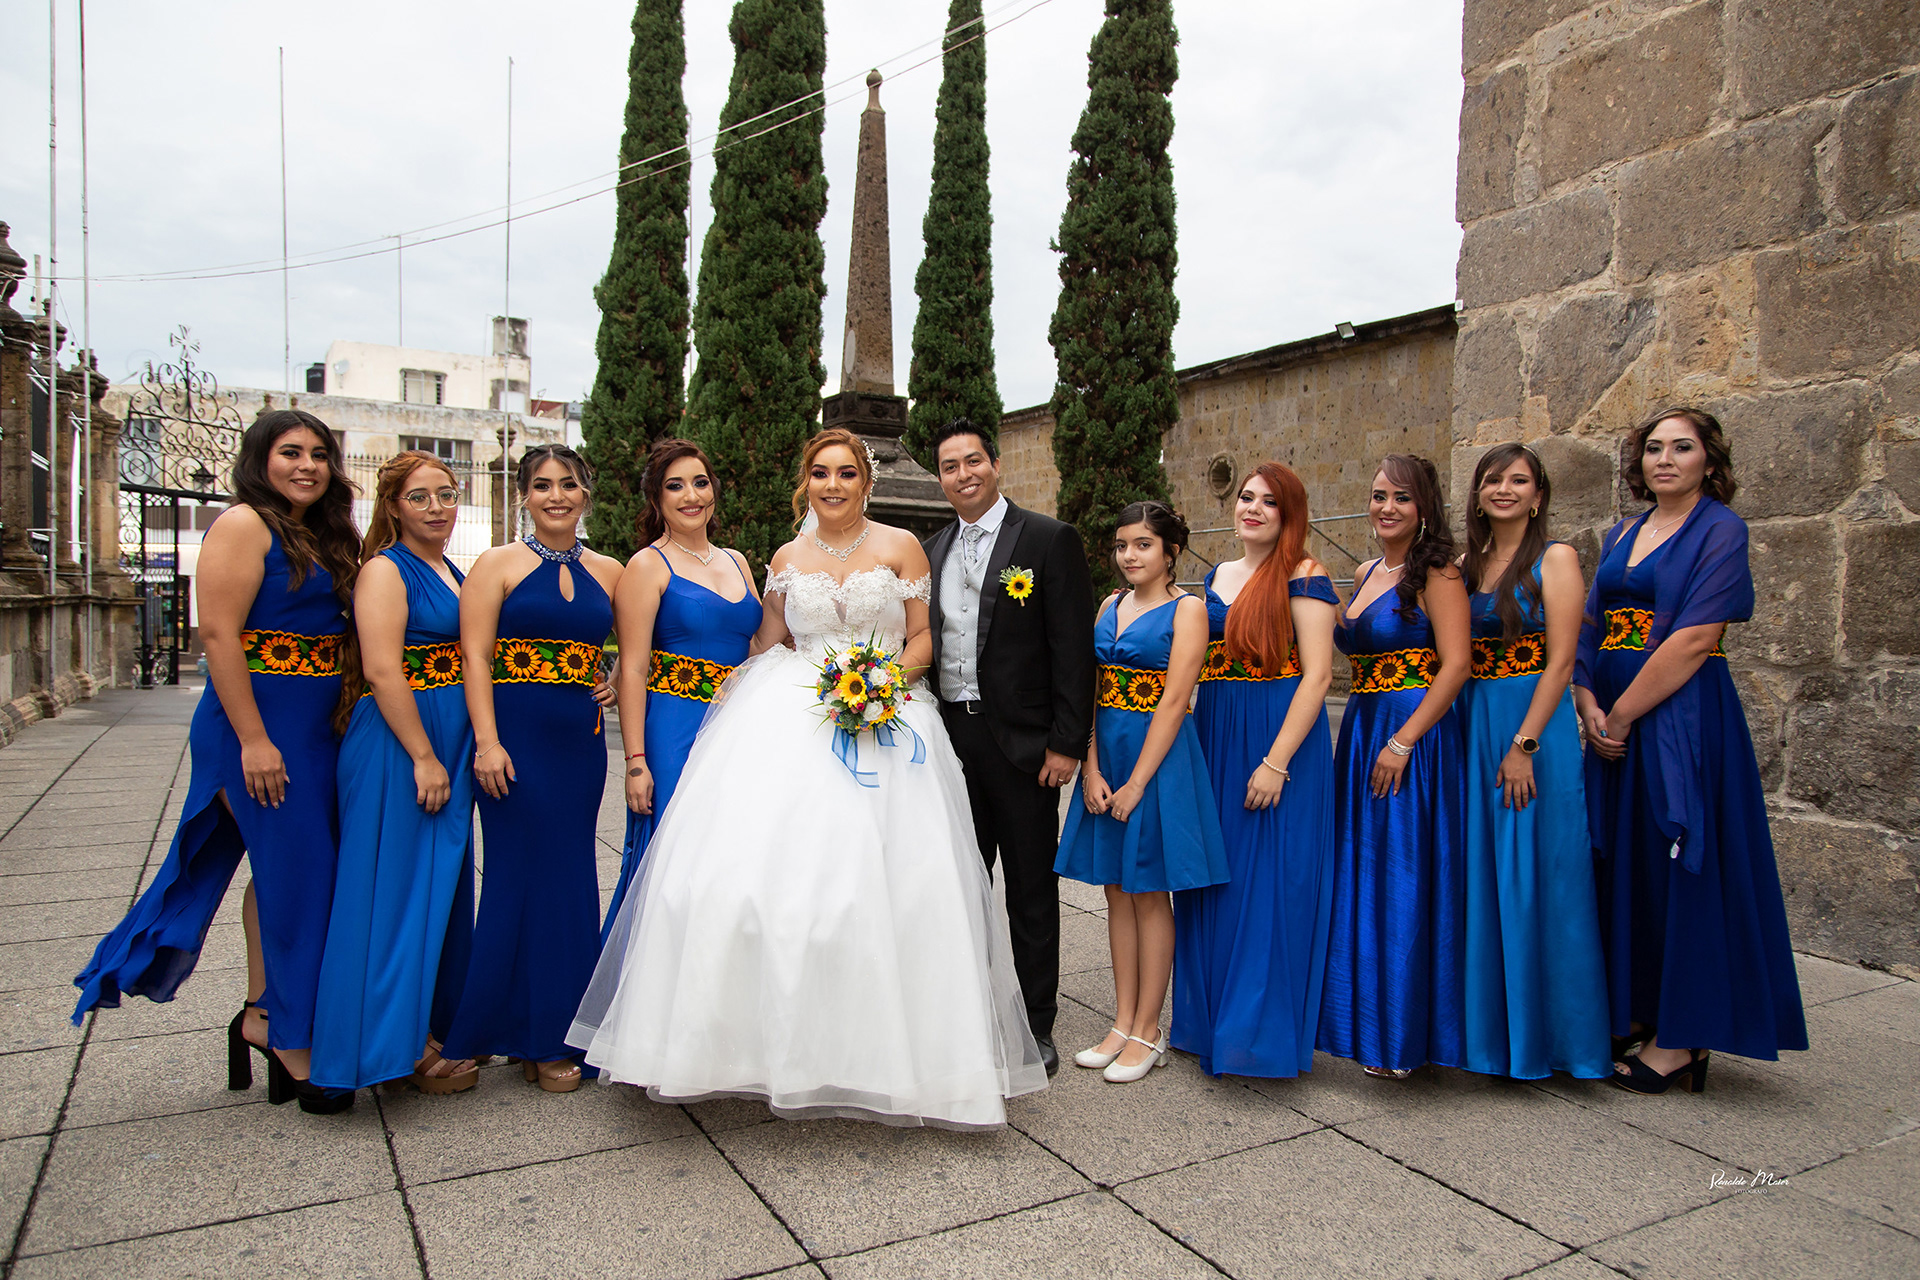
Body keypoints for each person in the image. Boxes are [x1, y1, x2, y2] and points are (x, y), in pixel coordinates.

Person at [570, 427, 1046, 1128]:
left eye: (846, 473)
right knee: (770, 885)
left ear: (865, 482)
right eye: (820, 473)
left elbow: (922, 636)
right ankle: (760, 1045)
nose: (833, 485)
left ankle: (898, 1053)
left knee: (896, 889)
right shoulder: (786, 558)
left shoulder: (902, 546)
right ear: (807, 482)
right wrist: (686, 685)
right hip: (797, 712)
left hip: (889, 714)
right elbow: (768, 641)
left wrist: (882, 682)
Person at [73, 409, 359, 1114]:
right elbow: (219, 636)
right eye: (290, 452)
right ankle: (291, 1036)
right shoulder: (242, 524)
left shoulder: (324, 535)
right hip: (255, 726)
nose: (307, 465)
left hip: (317, 729)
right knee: (303, 878)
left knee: (291, 874)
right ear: (260, 459)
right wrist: (254, 740)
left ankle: (263, 1014)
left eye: (319, 454)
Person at [1574, 408, 1807, 1094]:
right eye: (1653, 448)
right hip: (1609, 720)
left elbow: (1697, 638)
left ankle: (1682, 1040)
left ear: (1709, 460)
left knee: (1682, 861)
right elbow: (1590, 623)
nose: (1665, 459)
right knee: (1626, 865)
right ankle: (1634, 1008)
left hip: (1680, 718)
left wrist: (1621, 713)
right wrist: (1586, 700)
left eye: (1682, 447)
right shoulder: (1623, 532)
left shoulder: (1720, 530)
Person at [439, 445, 623, 1093]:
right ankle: (501, 1029)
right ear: (524, 495)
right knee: (514, 878)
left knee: (570, 880)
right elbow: (474, 656)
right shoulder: (496, 564)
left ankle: (557, 1032)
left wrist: (613, 675)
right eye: (542, 485)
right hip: (512, 739)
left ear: (585, 493)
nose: (556, 496)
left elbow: (643, 642)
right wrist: (487, 742)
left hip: (579, 743)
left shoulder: (611, 570)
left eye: (568, 484)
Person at [921, 419, 1096, 1077]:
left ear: (995, 464)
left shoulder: (1048, 539)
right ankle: (968, 1013)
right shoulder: (931, 550)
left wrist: (1066, 743)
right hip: (951, 738)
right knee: (960, 883)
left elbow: (1072, 650)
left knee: (1029, 890)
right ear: (940, 479)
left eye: (973, 461)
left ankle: (1035, 1023)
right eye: (950, 466)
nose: (963, 474)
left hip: (1024, 747)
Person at [309, 450, 479, 1095]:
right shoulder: (385, 570)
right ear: (393, 507)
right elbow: (382, 671)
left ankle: (426, 1029)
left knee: (434, 889)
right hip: (400, 745)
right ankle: (388, 1048)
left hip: (446, 739)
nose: (437, 508)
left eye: (446, 494)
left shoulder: (450, 569)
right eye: (420, 497)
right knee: (392, 893)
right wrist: (423, 756)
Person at [1172, 464, 1338, 1079]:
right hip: (1217, 733)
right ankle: (1207, 1023)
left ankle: (1256, 1037)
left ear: (1289, 514)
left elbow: (1318, 677)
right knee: (1215, 877)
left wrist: (1276, 762)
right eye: (1246, 497)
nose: (1253, 508)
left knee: (1269, 883)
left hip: (1276, 739)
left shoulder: (1305, 574)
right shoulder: (1218, 575)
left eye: (1269, 502)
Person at [1057, 502, 1228, 1084]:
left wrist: (1136, 783)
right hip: (1108, 757)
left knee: (1150, 890)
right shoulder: (1110, 604)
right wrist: (1092, 767)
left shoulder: (1189, 610)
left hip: (1158, 762)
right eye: (1122, 545)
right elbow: (1093, 691)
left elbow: (1176, 702)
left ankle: (1149, 1029)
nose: (1129, 555)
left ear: (1170, 551)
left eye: (1143, 545)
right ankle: (1121, 1020)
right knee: (1116, 889)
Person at [1457, 444, 1610, 1081]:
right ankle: (1487, 1040)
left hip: (1531, 728)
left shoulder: (1556, 558)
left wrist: (1524, 745)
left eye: (1518, 480)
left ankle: (1555, 1042)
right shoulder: (1464, 566)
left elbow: (1562, 661)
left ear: (1538, 495)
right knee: (1482, 875)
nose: (1504, 489)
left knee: (1541, 877)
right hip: (1473, 723)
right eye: (1493, 479)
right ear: (1477, 494)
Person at [1318, 454, 1470, 1079]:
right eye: (1379, 495)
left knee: (1404, 872)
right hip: (1362, 727)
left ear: (1424, 507)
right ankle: (1365, 1024)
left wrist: (1404, 742)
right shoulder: (1366, 572)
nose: (1387, 507)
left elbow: (1457, 665)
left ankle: (1404, 1035)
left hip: (1412, 732)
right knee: (1365, 872)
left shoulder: (1438, 572)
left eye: (1401, 498)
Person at [605, 439, 761, 936]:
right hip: (675, 727)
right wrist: (635, 762)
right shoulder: (647, 566)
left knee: (730, 857)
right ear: (657, 498)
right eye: (675, 486)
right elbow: (633, 668)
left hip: (736, 730)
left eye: (700, 482)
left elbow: (757, 644)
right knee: (677, 856)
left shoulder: (737, 560)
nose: (691, 495)